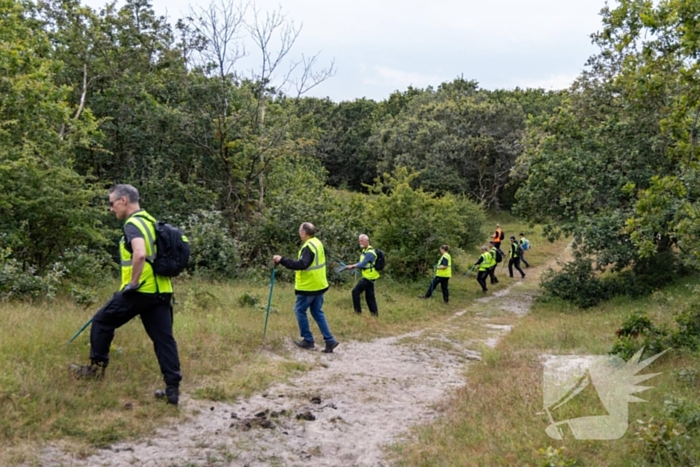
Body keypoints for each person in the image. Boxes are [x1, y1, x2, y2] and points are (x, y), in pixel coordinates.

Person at [71, 184, 182, 406]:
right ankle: (172, 390)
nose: (111, 209)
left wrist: (132, 284)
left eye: (111, 204)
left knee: (102, 320)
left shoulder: (133, 224)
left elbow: (139, 254)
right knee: (164, 339)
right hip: (162, 291)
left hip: (140, 291)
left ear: (123, 200)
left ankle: (96, 369)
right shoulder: (150, 220)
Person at [273, 222, 339, 353]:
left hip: (309, 286)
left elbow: (302, 264)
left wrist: (281, 260)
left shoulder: (308, 247)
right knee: (317, 312)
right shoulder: (317, 243)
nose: (299, 232)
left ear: (304, 233)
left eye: (299, 230)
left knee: (299, 310)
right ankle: (330, 340)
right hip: (319, 284)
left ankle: (308, 340)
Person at [346, 234, 380, 316]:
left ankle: (358, 313)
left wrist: (353, 266)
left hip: (369, 277)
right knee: (370, 296)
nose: (360, 242)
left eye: (361, 241)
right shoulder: (364, 251)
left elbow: (363, 264)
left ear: (367, 241)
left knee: (355, 292)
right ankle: (374, 314)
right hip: (368, 276)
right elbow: (361, 263)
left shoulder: (370, 252)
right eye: (359, 241)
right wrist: (352, 265)